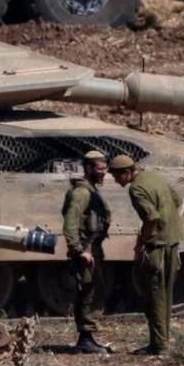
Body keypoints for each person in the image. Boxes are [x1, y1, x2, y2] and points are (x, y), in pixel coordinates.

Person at [108, 154, 184, 355]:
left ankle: (159, 346)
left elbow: (151, 217)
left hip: (157, 245)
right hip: (172, 240)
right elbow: (176, 199)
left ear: (127, 172)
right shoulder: (153, 177)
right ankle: (163, 340)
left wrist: (142, 239)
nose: (116, 181)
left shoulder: (136, 188)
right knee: (165, 294)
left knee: (155, 295)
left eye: (117, 177)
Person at [61, 150, 114, 354]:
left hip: (92, 247)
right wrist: (79, 250)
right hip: (86, 249)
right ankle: (85, 339)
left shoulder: (89, 189)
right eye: (100, 169)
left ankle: (88, 337)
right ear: (89, 168)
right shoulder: (81, 193)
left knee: (94, 289)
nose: (104, 172)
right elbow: (70, 224)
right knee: (88, 292)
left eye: (105, 168)